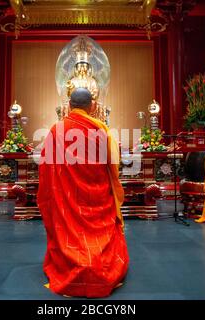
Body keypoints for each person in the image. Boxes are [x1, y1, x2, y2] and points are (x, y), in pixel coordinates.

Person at [37, 88, 129, 298]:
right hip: (97, 195)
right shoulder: (102, 129)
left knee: (69, 230)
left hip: (66, 196)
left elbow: (46, 166)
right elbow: (113, 165)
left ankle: (72, 265)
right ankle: (100, 268)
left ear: (69, 105)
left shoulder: (56, 130)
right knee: (99, 233)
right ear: (93, 106)